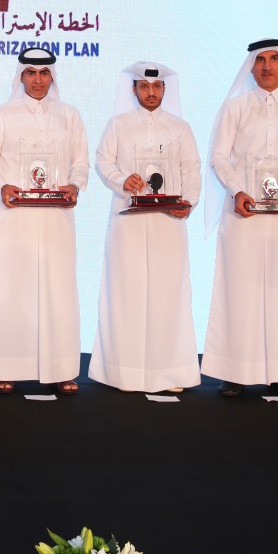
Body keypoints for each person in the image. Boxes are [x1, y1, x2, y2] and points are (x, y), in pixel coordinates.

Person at [202, 38, 278, 399]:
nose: (267, 66)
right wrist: (238, 191)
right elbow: (219, 157)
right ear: (251, 67)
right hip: (245, 213)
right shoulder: (235, 107)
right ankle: (235, 372)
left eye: (275, 59)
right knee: (240, 289)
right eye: (260, 60)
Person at [0, 46, 88, 395]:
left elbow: (81, 163)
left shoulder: (69, 115)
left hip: (56, 218)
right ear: (21, 76)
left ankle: (61, 369)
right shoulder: (2, 115)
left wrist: (74, 185)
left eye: (44, 74)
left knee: (57, 291)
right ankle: (6, 367)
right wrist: (1, 186)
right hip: (14, 218)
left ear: (52, 76)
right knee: (11, 291)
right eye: (31, 73)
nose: (38, 80)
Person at [89, 61, 201, 393]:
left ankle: (169, 374)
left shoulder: (180, 128)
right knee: (127, 291)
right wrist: (123, 179)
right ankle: (125, 373)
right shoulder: (118, 124)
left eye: (157, 87)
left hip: (169, 223)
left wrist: (189, 202)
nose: (151, 93)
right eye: (144, 87)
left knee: (168, 294)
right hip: (128, 221)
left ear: (165, 89)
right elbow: (102, 161)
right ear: (134, 89)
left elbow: (191, 169)